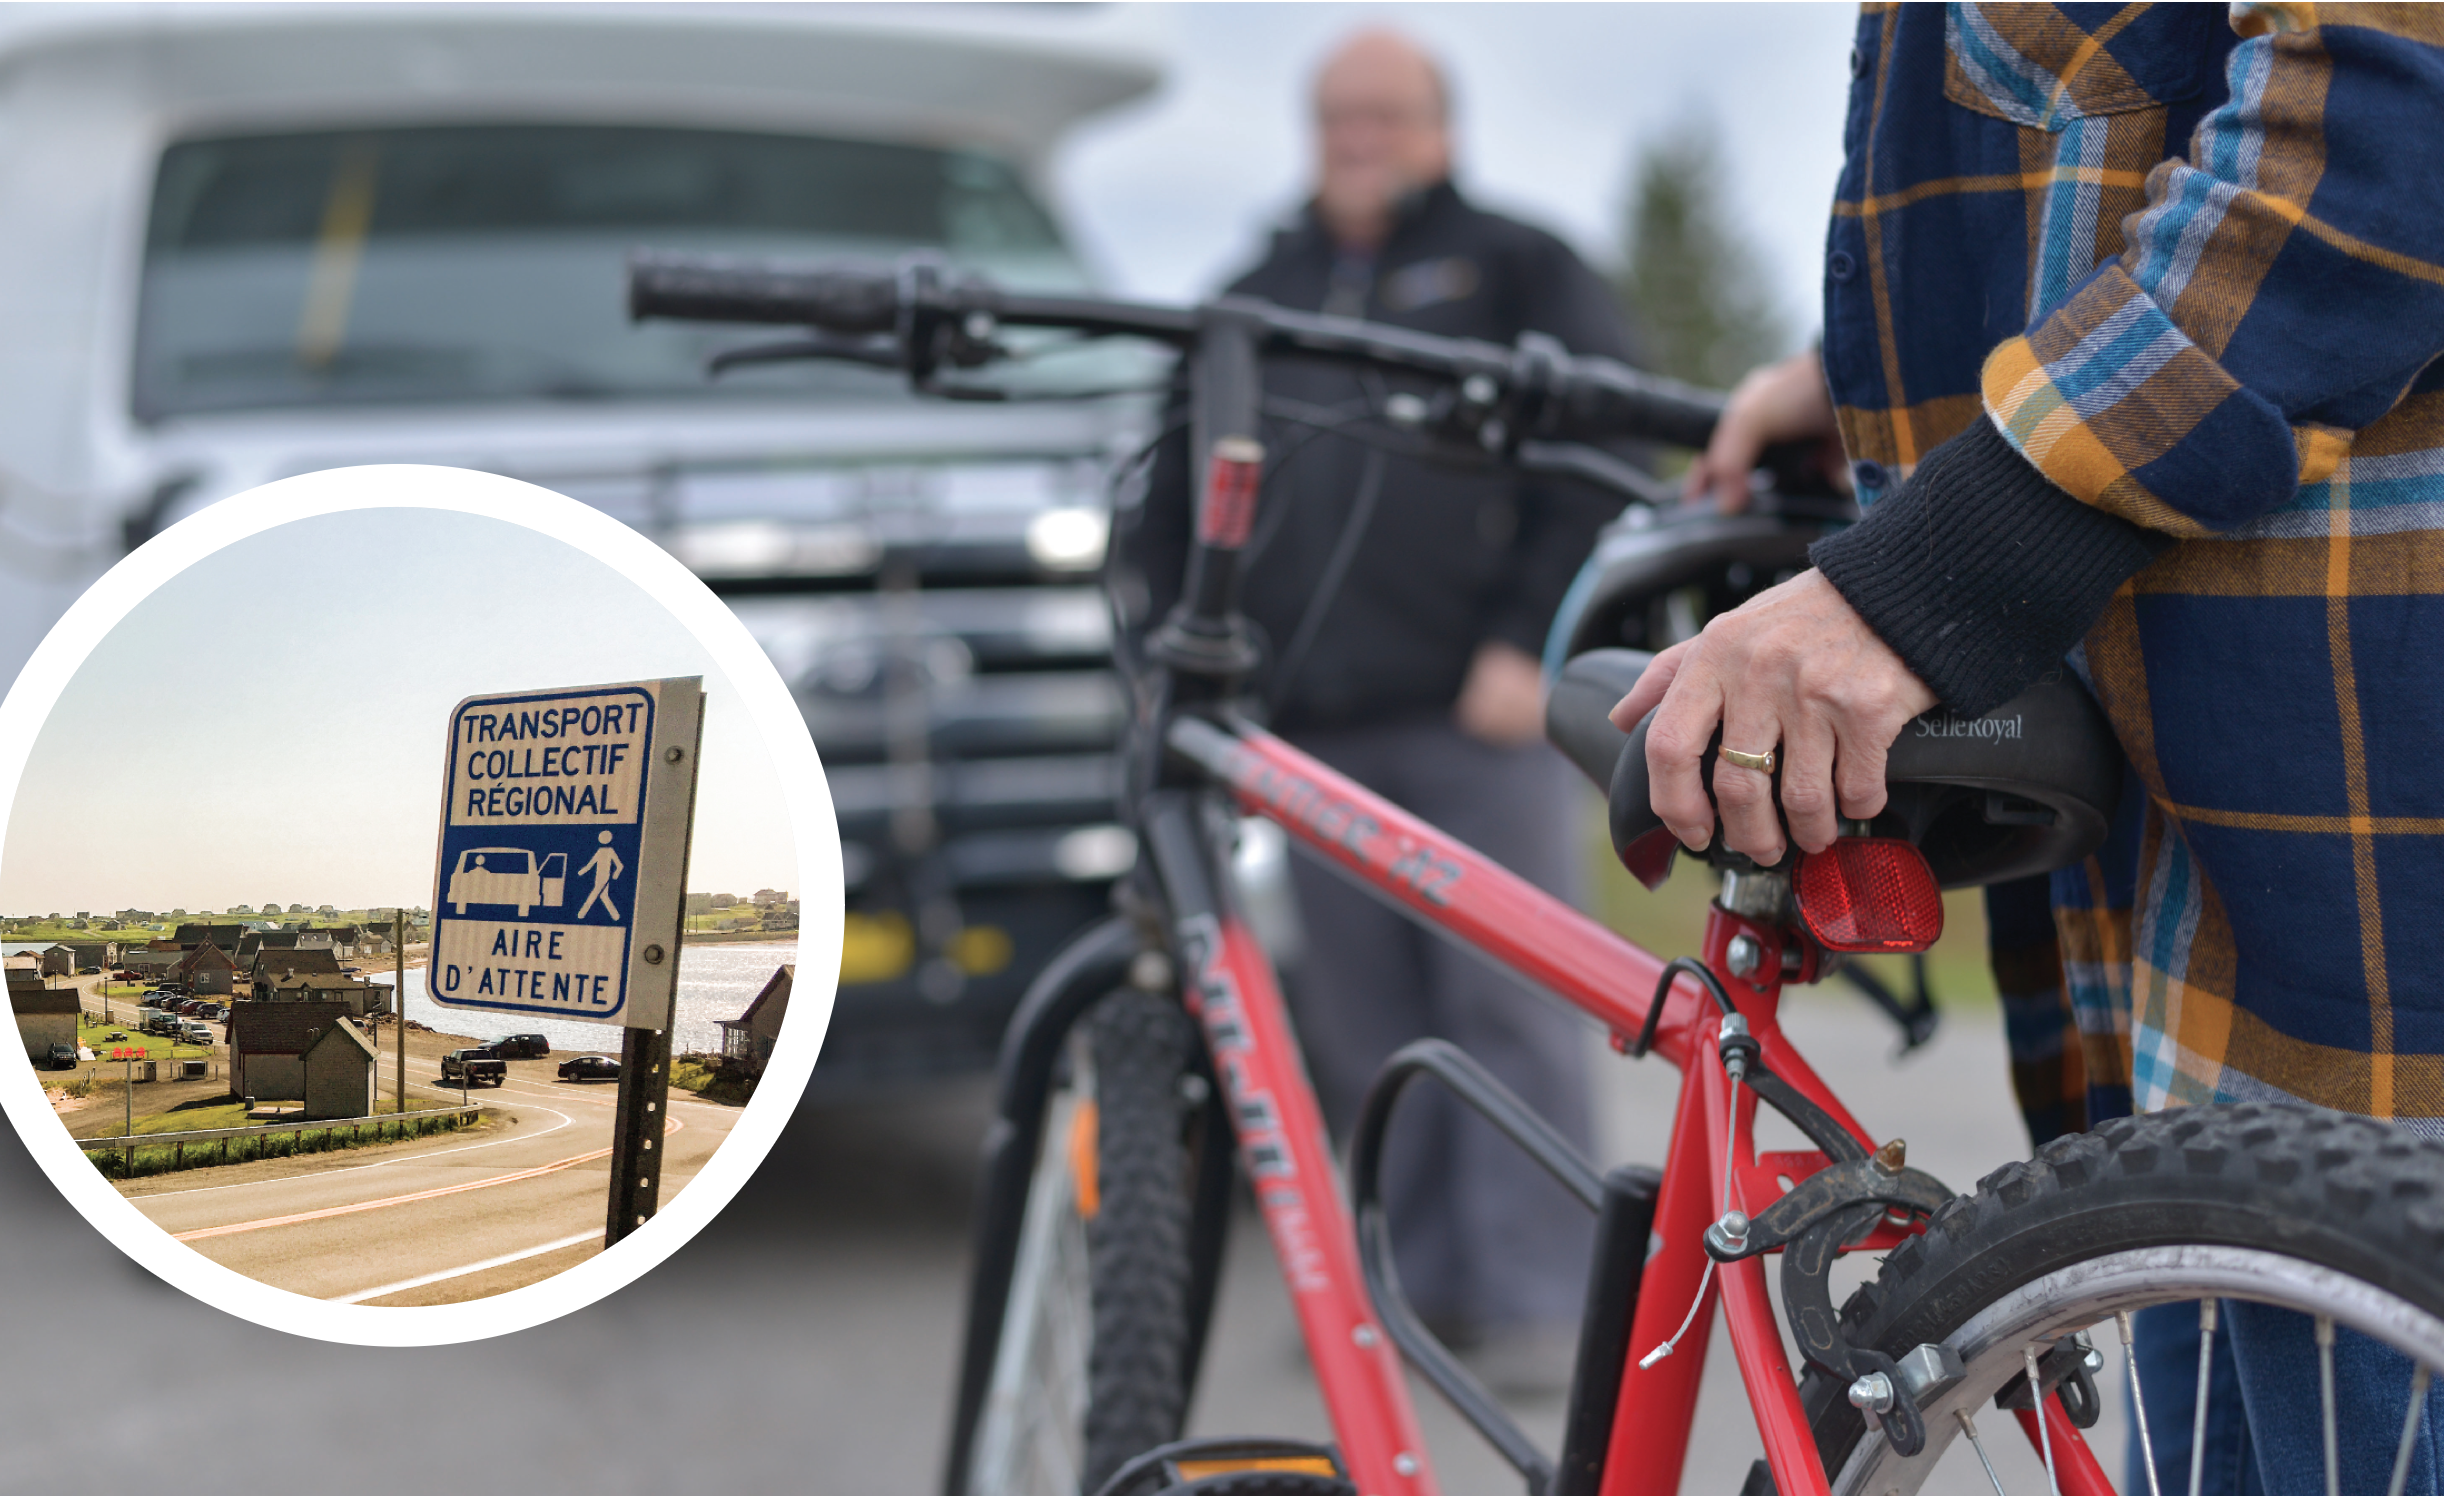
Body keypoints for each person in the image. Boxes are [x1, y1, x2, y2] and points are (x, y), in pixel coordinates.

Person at [1614, 6, 2444, 1489]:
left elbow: (2376, 144)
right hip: (2210, 936)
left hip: (2365, 900)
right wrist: (1863, 362)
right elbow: (2141, 108)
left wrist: (1924, 581)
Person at [1124, 27, 1642, 1388]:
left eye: (1386, 113)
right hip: (1307, 731)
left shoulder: (1518, 268)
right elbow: (1171, 497)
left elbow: (1602, 456)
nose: (1359, 134)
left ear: (1439, 128)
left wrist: (1531, 638)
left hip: (1470, 713)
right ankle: (1415, 1298)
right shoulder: (1253, 295)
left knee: (1508, 1009)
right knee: (1362, 1027)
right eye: (1337, 113)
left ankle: (1542, 1299)